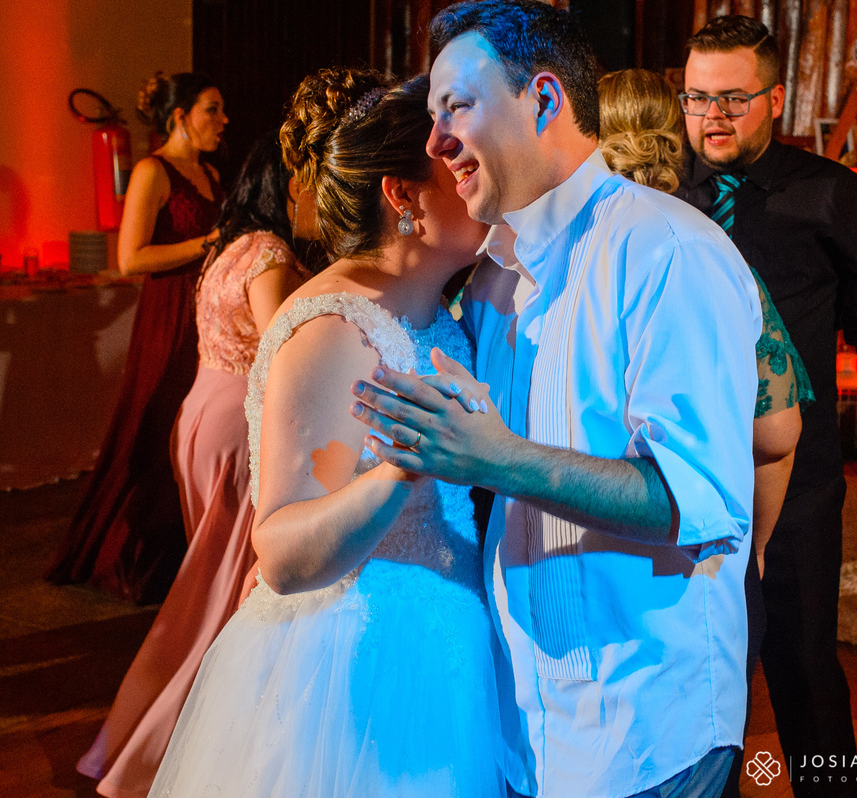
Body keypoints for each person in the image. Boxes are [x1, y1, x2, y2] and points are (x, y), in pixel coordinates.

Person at [349, 2, 759, 795]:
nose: (435, 142)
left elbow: (700, 501)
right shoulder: (492, 276)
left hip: (643, 730)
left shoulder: (664, 252)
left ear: (542, 100)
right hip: (523, 728)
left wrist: (497, 458)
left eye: (455, 108)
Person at [146, 68, 512, 797]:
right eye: (460, 164)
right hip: (358, 660)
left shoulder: (437, 308)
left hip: (445, 631)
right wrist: (403, 468)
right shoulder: (335, 329)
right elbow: (279, 549)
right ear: (403, 195)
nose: (482, 180)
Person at [675, 17, 857, 795]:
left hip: (800, 480)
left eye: (733, 99)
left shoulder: (834, 195)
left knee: (805, 667)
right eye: (697, 98)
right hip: (685, 482)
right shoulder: (659, 197)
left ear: (776, 99)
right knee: (708, 679)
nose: (712, 116)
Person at [77, 133, 313, 798]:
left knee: (206, 579)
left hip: (202, 410)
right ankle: (180, 743)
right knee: (226, 592)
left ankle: (142, 734)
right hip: (240, 424)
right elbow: (277, 350)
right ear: (287, 186)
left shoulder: (226, 249)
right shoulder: (269, 253)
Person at [599, 67, 812, 575]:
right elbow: (778, 433)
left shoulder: (541, 257)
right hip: (691, 563)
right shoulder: (712, 255)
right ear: (676, 144)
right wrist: (754, 549)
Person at [48, 72, 228, 604]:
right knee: (155, 419)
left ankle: (183, 549)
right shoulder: (153, 171)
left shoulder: (211, 172)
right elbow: (131, 257)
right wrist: (207, 243)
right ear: (180, 117)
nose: (223, 121)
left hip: (204, 311)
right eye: (212, 109)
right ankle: (134, 551)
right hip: (167, 312)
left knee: (192, 427)